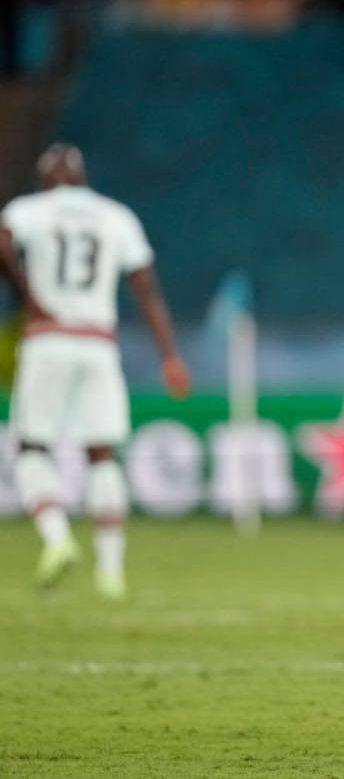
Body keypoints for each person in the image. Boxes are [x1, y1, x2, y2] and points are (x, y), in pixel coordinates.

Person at [0, 144, 190, 600]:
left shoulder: (29, 209)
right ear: (83, 178)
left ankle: (57, 536)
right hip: (98, 346)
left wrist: (27, 295)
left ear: (46, 178)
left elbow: (3, 243)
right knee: (102, 454)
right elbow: (146, 287)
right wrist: (169, 355)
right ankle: (111, 572)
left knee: (31, 447)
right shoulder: (115, 217)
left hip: (48, 338)